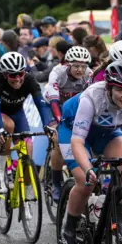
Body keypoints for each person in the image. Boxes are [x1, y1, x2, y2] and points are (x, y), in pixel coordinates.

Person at [58, 61, 122, 244]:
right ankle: (68, 228)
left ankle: (120, 218)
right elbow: (77, 142)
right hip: (73, 132)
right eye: (120, 89)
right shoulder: (92, 97)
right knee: (85, 182)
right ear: (109, 87)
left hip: (106, 131)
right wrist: (87, 168)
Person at [0, 52, 56, 194]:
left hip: (17, 113)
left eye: (20, 74)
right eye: (12, 75)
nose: (17, 79)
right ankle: (0, 171)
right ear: (4, 74)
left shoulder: (29, 80)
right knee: (8, 126)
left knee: (28, 151)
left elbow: (41, 104)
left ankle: (27, 190)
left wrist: (47, 125)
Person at [43, 46, 92, 201]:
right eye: (76, 66)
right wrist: (60, 122)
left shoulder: (89, 75)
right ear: (68, 65)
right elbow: (54, 101)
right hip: (52, 106)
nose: (80, 70)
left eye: (83, 66)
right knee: (58, 139)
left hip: (74, 108)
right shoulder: (58, 73)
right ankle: (55, 183)